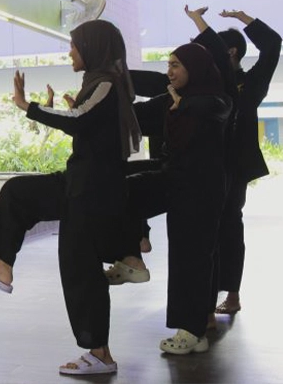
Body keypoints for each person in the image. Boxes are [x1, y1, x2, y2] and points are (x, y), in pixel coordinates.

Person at [0, 20, 142, 375]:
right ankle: (3, 267)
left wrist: (27, 105)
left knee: (80, 269)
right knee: (18, 192)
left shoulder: (106, 83)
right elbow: (81, 119)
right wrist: (49, 109)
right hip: (78, 182)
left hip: (92, 191)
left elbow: (77, 119)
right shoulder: (97, 82)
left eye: (75, 46)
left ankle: (100, 355)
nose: (70, 52)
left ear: (92, 48)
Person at [113, 19, 232, 354]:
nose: (170, 71)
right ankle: (132, 257)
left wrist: (184, 105)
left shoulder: (218, 99)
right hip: (175, 181)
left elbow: (211, 106)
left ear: (194, 67)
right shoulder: (170, 100)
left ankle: (193, 332)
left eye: (176, 65)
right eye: (168, 65)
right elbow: (136, 115)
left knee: (191, 258)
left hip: (203, 191)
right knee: (126, 190)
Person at [210, 10, 281, 319]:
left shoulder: (249, 85)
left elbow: (273, 45)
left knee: (229, 225)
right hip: (207, 167)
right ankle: (209, 292)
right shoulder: (208, 83)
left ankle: (233, 294)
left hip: (234, 167)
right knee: (210, 229)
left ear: (231, 53)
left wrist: (245, 19)